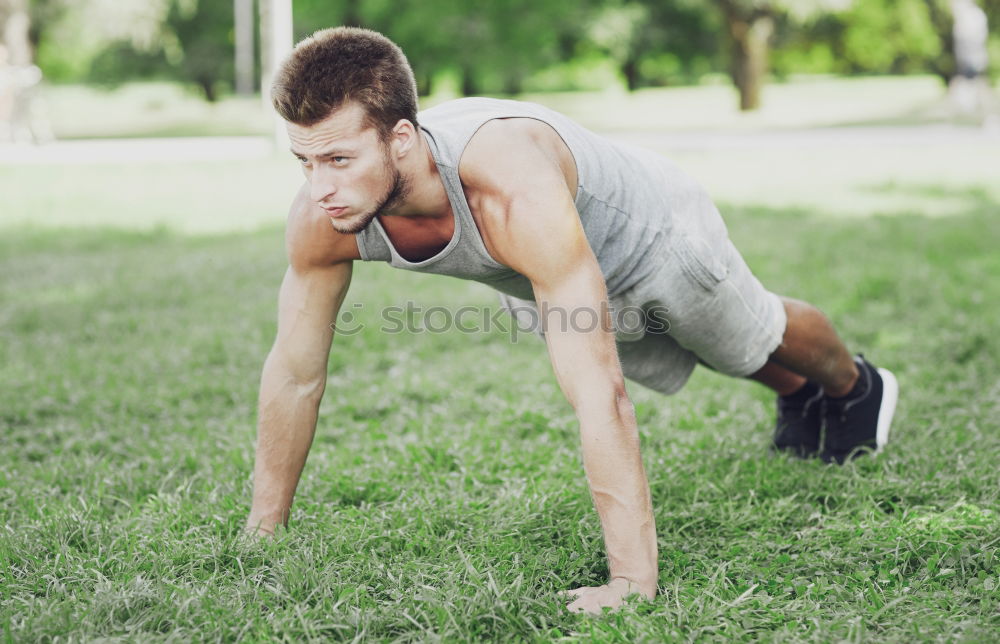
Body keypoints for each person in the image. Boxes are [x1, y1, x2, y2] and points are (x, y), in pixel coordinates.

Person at [245, 27, 899, 614]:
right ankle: (799, 396)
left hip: (652, 231)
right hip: (549, 265)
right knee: (704, 354)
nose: (319, 186)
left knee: (745, 336)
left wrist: (630, 582)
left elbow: (598, 394)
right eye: (305, 161)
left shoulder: (506, 189)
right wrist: (263, 530)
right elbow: (296, 374)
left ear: (402, 139)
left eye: (338, 161)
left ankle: (855, 387)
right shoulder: (321, 217)